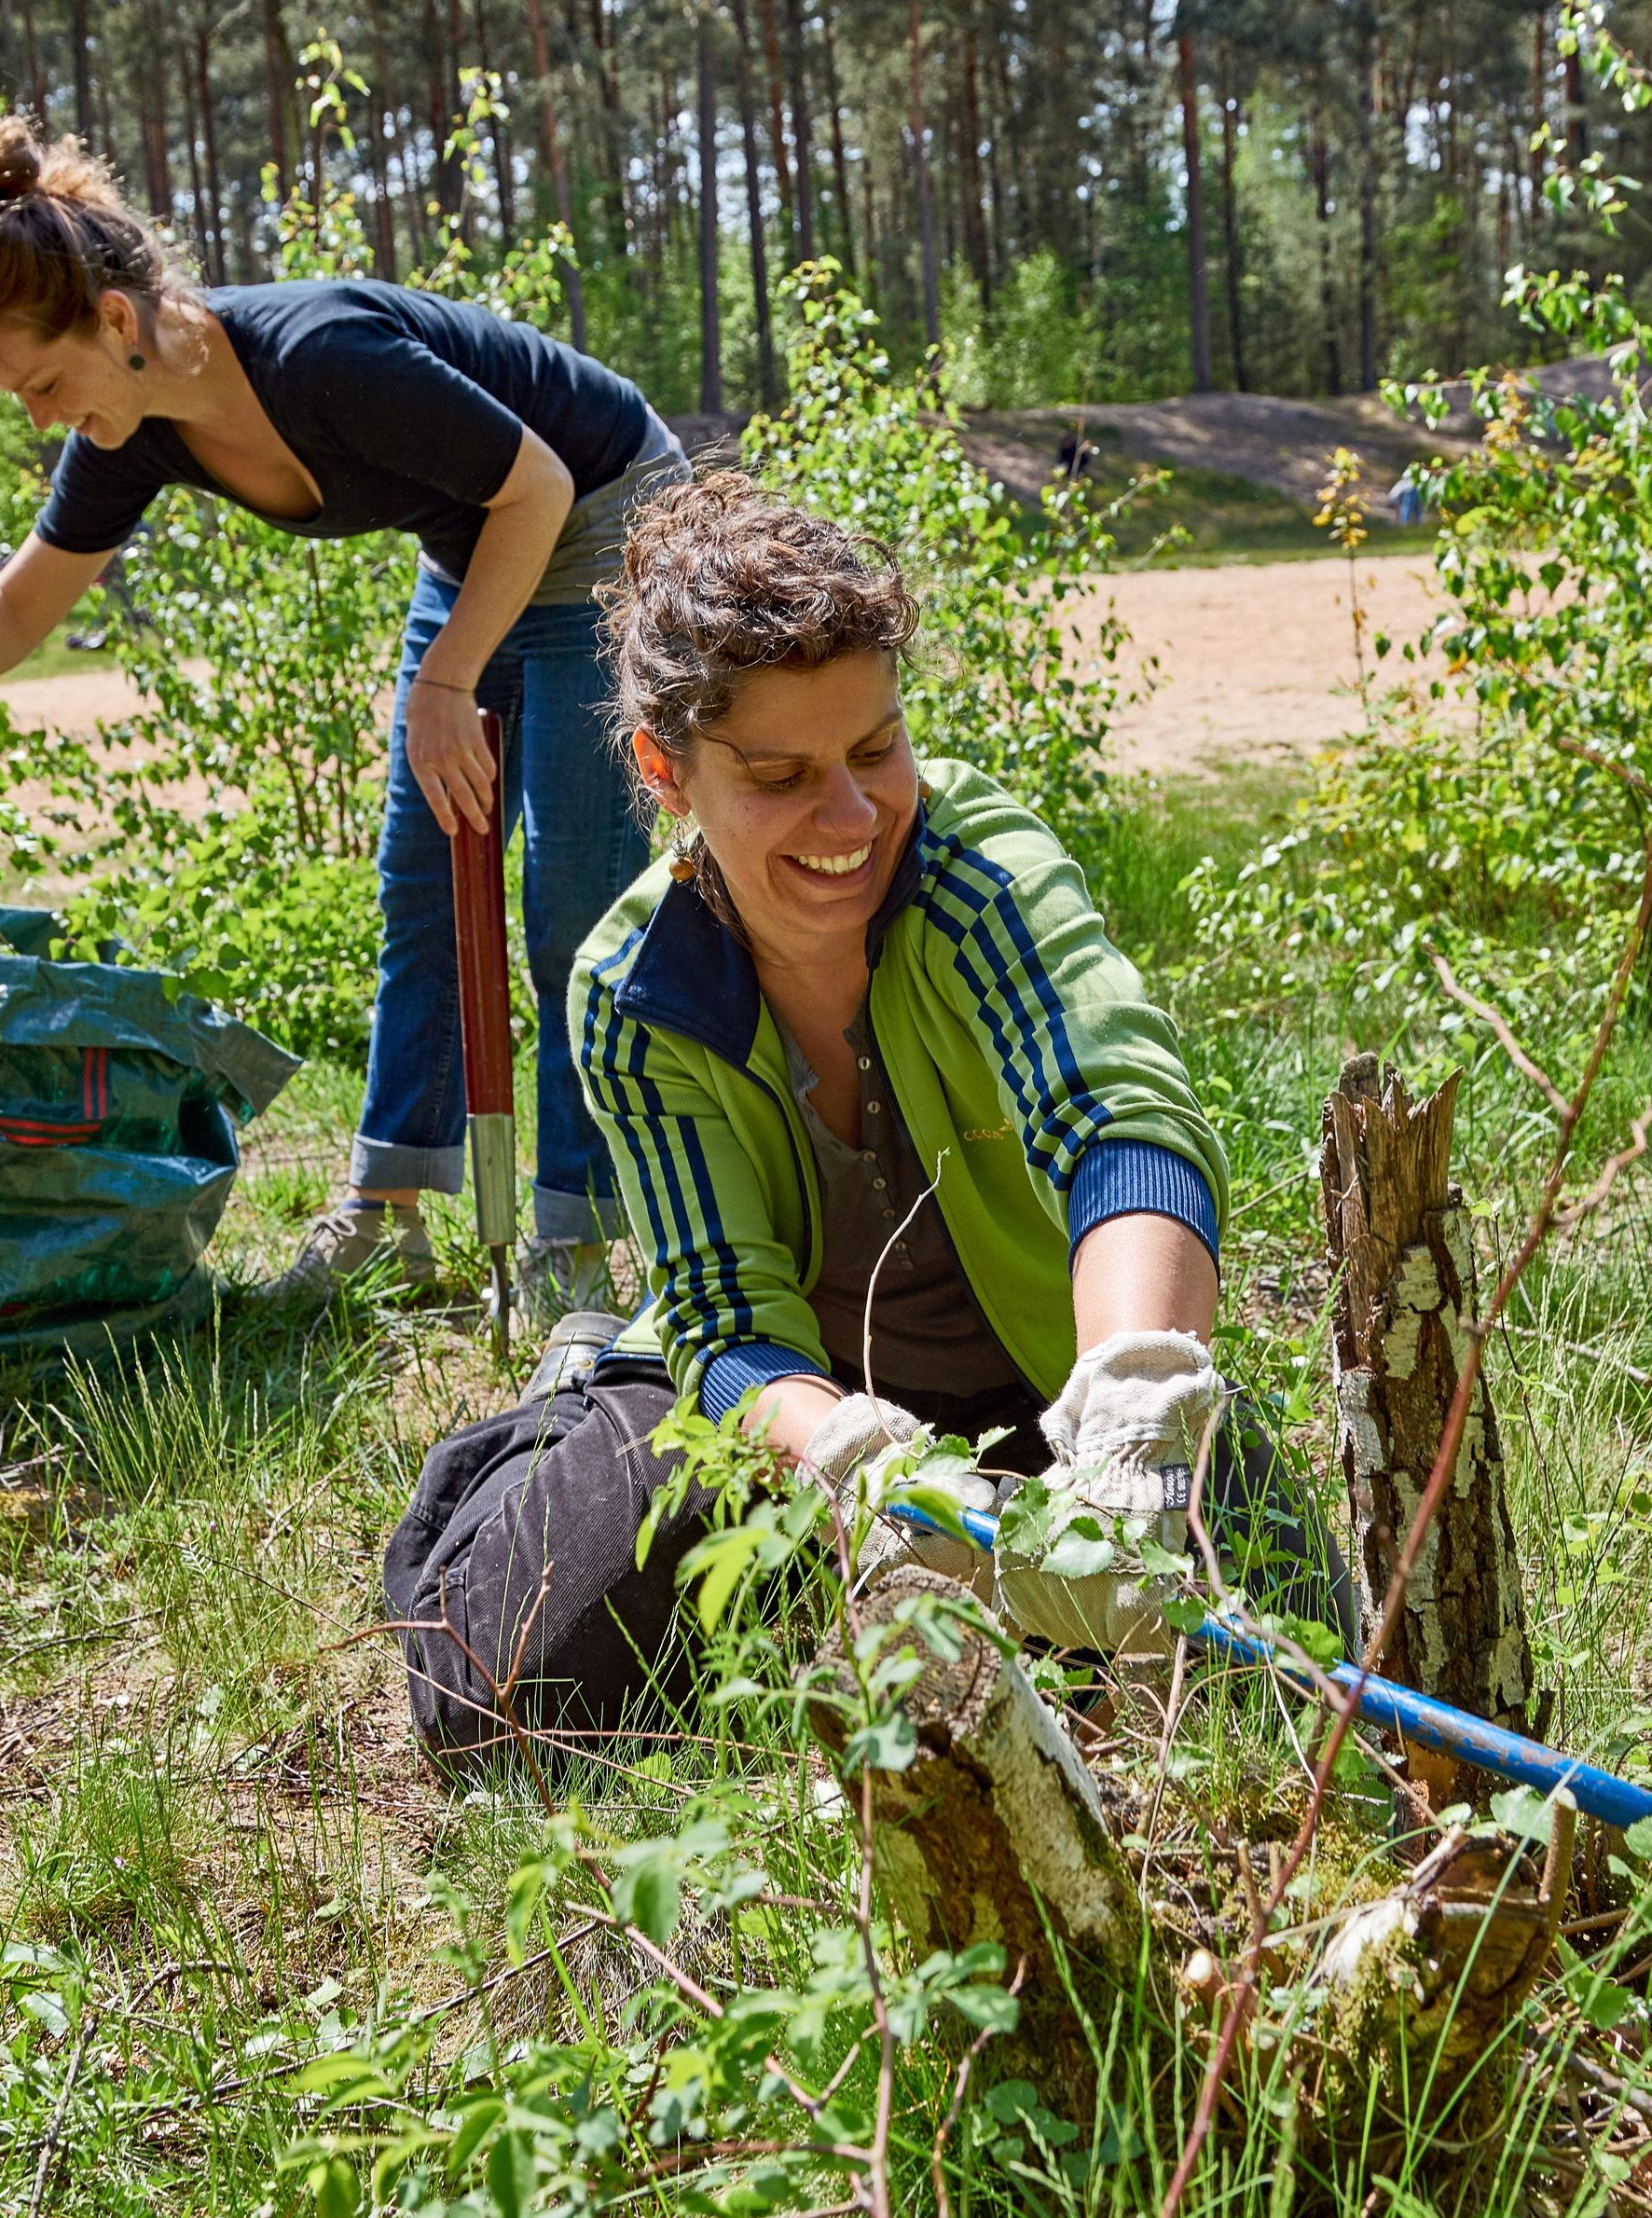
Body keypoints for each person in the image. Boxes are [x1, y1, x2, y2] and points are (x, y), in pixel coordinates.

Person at [385, 476, 1341, 1762]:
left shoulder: (976, 873)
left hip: (1045, 1398)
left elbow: (1120, 1122)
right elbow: (726, 1321)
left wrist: (1131, 1406)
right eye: (780, 774)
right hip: (795, 1414)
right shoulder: (634, 988)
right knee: (494, 1687)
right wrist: (851, 1463)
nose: (849, 819)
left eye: (875, 750)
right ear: (663, 770)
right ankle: (556, 1419)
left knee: (1300, 1669)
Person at [0, 117, 685, 1321]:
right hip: (475, 541)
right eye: (16, 397)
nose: (43, 418)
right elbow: (20, 607)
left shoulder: (321, 355)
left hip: (599, 512)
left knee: (573, 893)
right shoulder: (129, 426)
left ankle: (576, 1243)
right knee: (418, 878)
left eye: (43, 383)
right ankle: (390, 1217)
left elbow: (536, 481)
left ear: (115, 320)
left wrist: (441, 687)